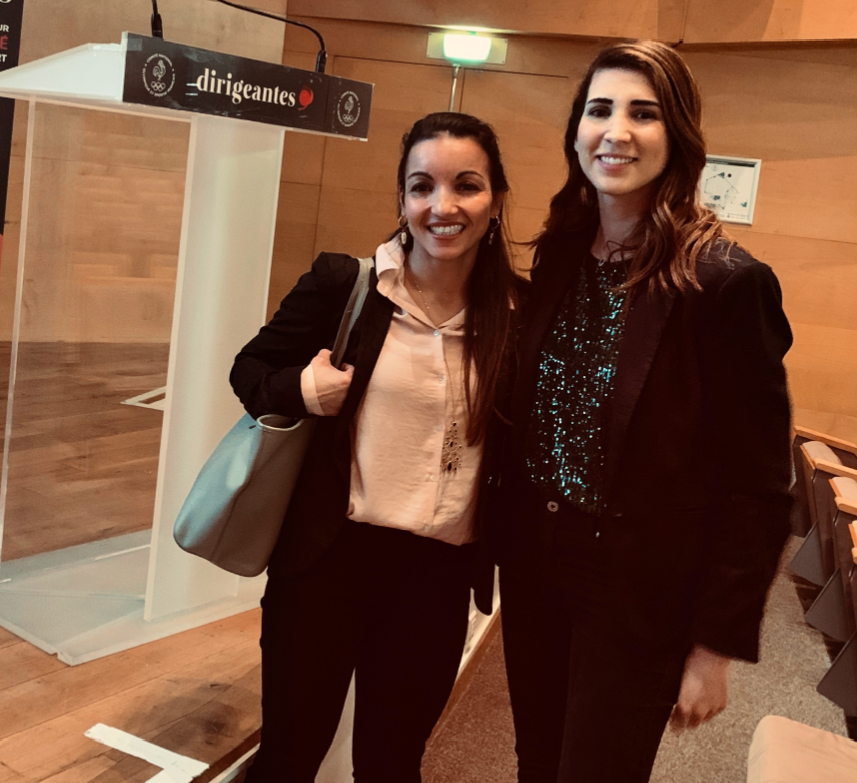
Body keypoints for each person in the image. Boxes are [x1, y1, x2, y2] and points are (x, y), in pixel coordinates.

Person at [495, 40, 793, 783]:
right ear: (576, 132)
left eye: (643, 113)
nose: (616, 131)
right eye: (599, 110)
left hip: (636, 587)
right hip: (536, 563)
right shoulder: (562, 254)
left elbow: (758, 487)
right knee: (536, 763)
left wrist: (713, 647)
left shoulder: (724, 283)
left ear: (678, 135)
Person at [230, 112, 519, 783]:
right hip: (329, 562)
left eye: (466, 185)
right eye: (421, 187)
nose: (442, 206)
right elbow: (250, 369)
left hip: (436, 577)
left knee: (392, 765)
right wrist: (303, 390)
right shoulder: (346, 285)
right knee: (289, 757)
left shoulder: (518, 315)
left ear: (496, 200)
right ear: (401, 200)